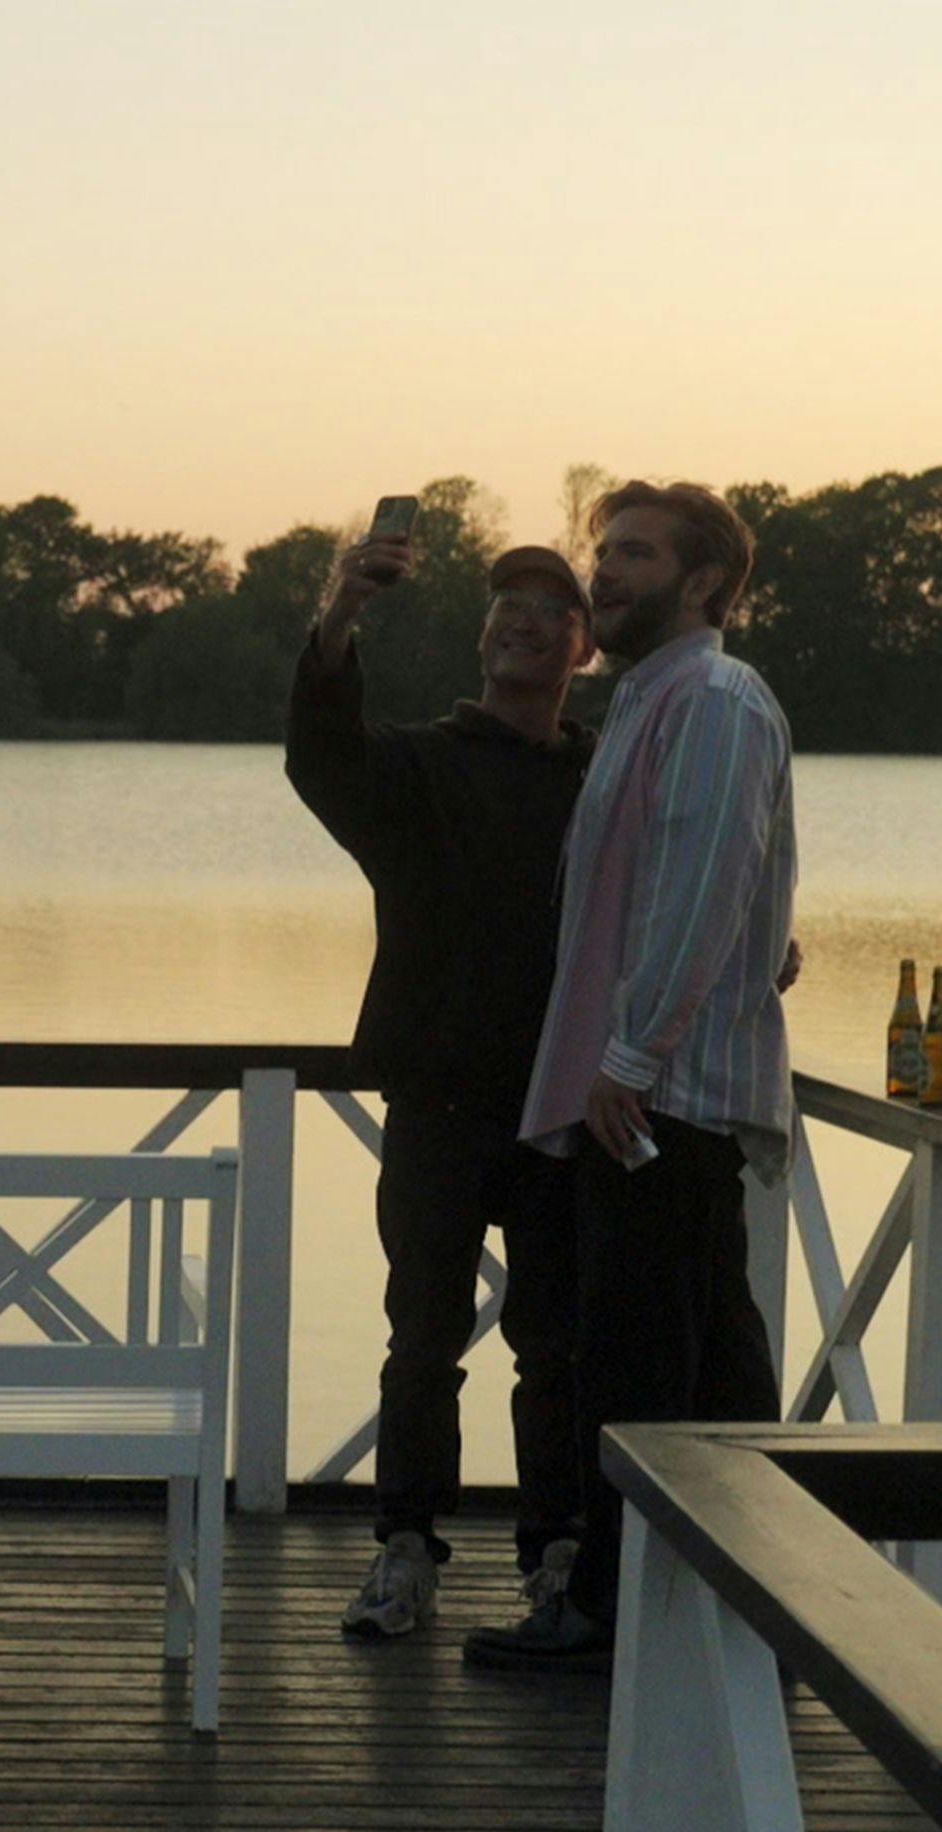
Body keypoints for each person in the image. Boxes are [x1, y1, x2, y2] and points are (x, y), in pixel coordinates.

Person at [475, 481, 798, 1671]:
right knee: (700, 1363)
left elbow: (705, 888)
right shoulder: (649, 702)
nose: (602, 573)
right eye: (601, 552)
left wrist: (625, 1055)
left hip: (658, 1096)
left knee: (644, 1374)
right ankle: (720, 1603)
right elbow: (711, 889)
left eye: (635, 555)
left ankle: (619, 1620)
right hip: (648, 1087)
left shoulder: (711, 699)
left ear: (704, 583)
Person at [289, 535, 600, 1640]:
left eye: (551, 609)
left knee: (557, 1347)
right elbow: (319, 757)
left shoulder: (602, 778)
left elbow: (685, 882)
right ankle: (405, 1552)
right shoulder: (415, 769)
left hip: (568, 1110)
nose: (523, 619)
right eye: (505, 606)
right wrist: (338, 615)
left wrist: (764, 947)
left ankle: (559, 1556)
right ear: (481, 638)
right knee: (420, 1338)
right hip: (437, 1102)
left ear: (586, 647)